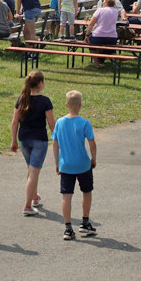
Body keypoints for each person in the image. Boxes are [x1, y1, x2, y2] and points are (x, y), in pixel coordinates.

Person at [52, 90, 97, 239]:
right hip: (83, 164)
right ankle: (85, 222)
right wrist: (93, 158)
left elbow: (55, 143)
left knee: (66, 195)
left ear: (66, 105)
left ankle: (68, 227)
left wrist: (57, 162)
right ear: (80, 105)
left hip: (66, 164)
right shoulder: (84, 123)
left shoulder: (59, 122)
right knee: (86, 191)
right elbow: (92, 143)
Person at [10, 71, 55, 216]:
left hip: (24, 139)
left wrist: (13, 140)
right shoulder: (45, 101)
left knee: (31, 170)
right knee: (34, 172)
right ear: (41, 83)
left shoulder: (22, 99)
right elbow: (51, 123)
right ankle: (27, 205)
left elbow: (15, 122)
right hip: (39, 140)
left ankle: (34, 196)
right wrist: (57, 137)